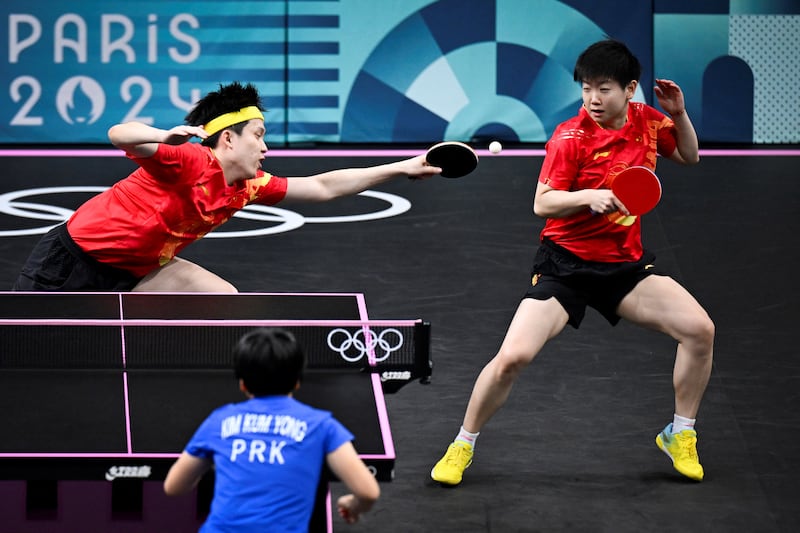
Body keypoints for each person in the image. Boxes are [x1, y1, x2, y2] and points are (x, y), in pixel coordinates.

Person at [431, 39, 713, 486]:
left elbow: (689, 156)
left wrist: (678, 113)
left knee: (699, 331)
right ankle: (461, 444)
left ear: (630, 88)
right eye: (585, 89)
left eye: (603, 89)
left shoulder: (647, 121)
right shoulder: (570, 137)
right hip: (566, 265)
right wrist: (589, 196)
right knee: (512, 357)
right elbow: (542, 204)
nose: (593, 100)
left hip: (623, 266)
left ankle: (680, 434)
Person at [13, 81, 441, 292]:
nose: (266, 147)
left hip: (138, 271)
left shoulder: (247, 186)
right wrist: (163, 136)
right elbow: (118, 134)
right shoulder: (186, 159)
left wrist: (405, 166)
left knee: (223, 298)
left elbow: (325, 187)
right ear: (228, 139)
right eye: (258, 134)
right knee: (27, 358)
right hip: (71, 261)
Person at [163, 327, 380, 531]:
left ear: (242, 384)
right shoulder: (322, 426)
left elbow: (174, 487)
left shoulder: (219, 421)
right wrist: (351, 503)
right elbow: (368, 492)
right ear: (297, 381)